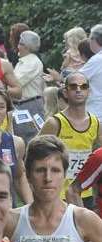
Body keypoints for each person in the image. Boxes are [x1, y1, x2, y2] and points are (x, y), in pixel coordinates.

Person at [39, 72, 102, 207]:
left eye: (83, 86)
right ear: (65, 92)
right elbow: (34, 154)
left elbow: (97, 161)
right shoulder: (55, 123)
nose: (79, 90)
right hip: (58, 194)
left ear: (89, 92)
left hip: (85, 192)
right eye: (73, 87)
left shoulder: (96, 123)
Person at [13, 30, 45, 143]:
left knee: (31, 139)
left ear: (26, 46)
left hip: (30, 105)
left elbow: (15, 83)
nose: (17, 46)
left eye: (20, 44)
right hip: (21, 105)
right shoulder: (23, 61)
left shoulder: (32, 63)